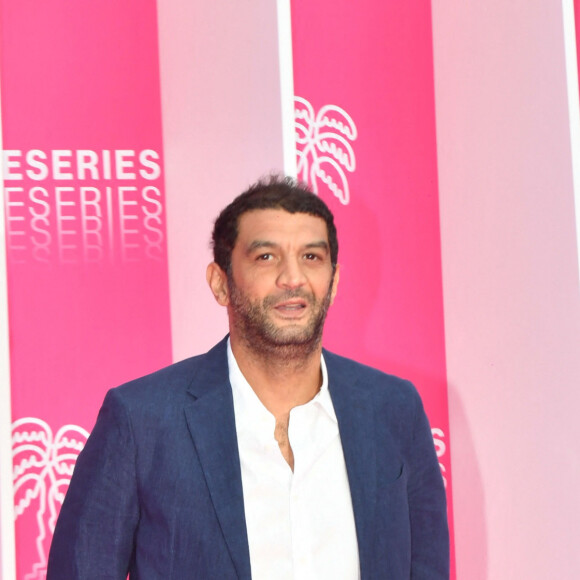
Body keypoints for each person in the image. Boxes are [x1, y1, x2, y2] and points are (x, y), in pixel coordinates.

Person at [47, 175, 449, 579]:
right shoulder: (142, 421)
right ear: (220, 283)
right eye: (266, 257)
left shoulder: (393, 409)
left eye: (311, 256)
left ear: (335, 280)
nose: (293, 279)